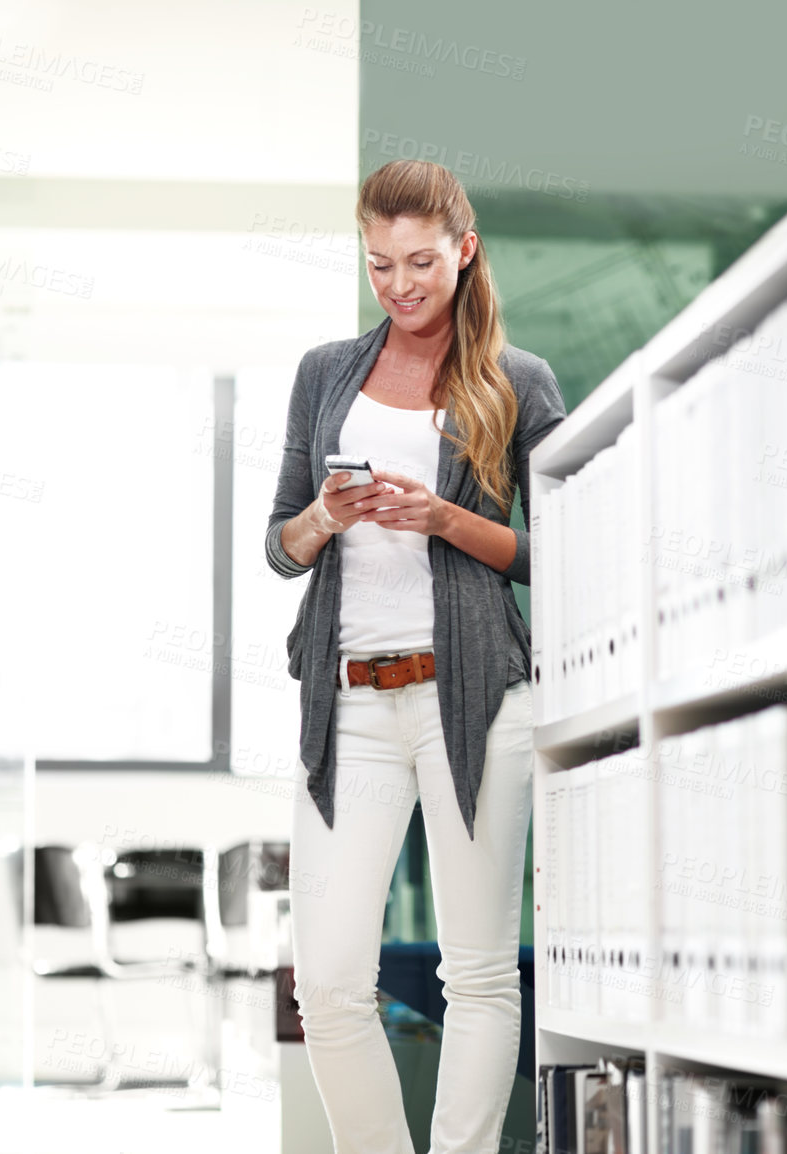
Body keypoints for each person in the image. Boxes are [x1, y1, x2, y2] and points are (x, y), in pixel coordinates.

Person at [264, 158, 566, 1154]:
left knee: (477, 971)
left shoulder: (517, 382)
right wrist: (325, 513)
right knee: (329, 981)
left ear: (464, 250)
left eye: (421, 261)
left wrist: (443, 517)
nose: (400, 284)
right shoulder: (324, 373)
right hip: (346, 703)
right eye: (380, 263)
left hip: (473, 701)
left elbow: (560, 553)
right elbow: (280, 545)